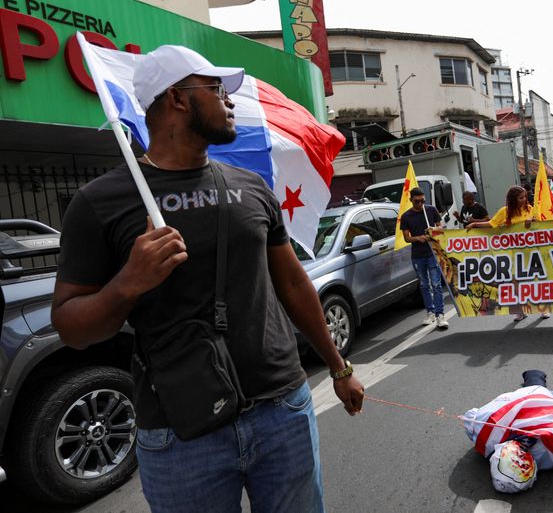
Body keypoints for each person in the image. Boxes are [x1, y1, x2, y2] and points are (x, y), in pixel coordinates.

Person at [50, 44, 364, 513]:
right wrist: (128, 282)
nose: (230, 101)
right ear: (178, 98)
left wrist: (338, 368)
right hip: (181, 433)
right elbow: (71, 326)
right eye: (217, 89)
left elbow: (294, 285)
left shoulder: (250, 185)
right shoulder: (101, 202)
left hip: (282, 409)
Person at [467, 185, 547, 322]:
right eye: (521, 197)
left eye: (525, 197)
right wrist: (475, 225)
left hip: (532, 251)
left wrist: (532, 222)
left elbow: (541, 226)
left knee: (536, 280)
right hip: (514, 253)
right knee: (516, 283)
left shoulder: (531, 210)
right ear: (513, 199)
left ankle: (543, 309)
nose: (524, 199)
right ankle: (520, 311)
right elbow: (491, 224)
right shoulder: (505, 212)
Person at [401, 187, 449, 329]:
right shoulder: (406, 216)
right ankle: (430, 312)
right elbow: (406, 238)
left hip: (433, 253)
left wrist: (433, 232)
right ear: (411, 200)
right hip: (418, 255)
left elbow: (441, 227)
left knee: (436, 284)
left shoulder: (431, 210)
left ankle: (440, 314)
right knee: (424, 285)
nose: (420, 204)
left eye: (423, 201)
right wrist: (418, 238)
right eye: (417, 201)